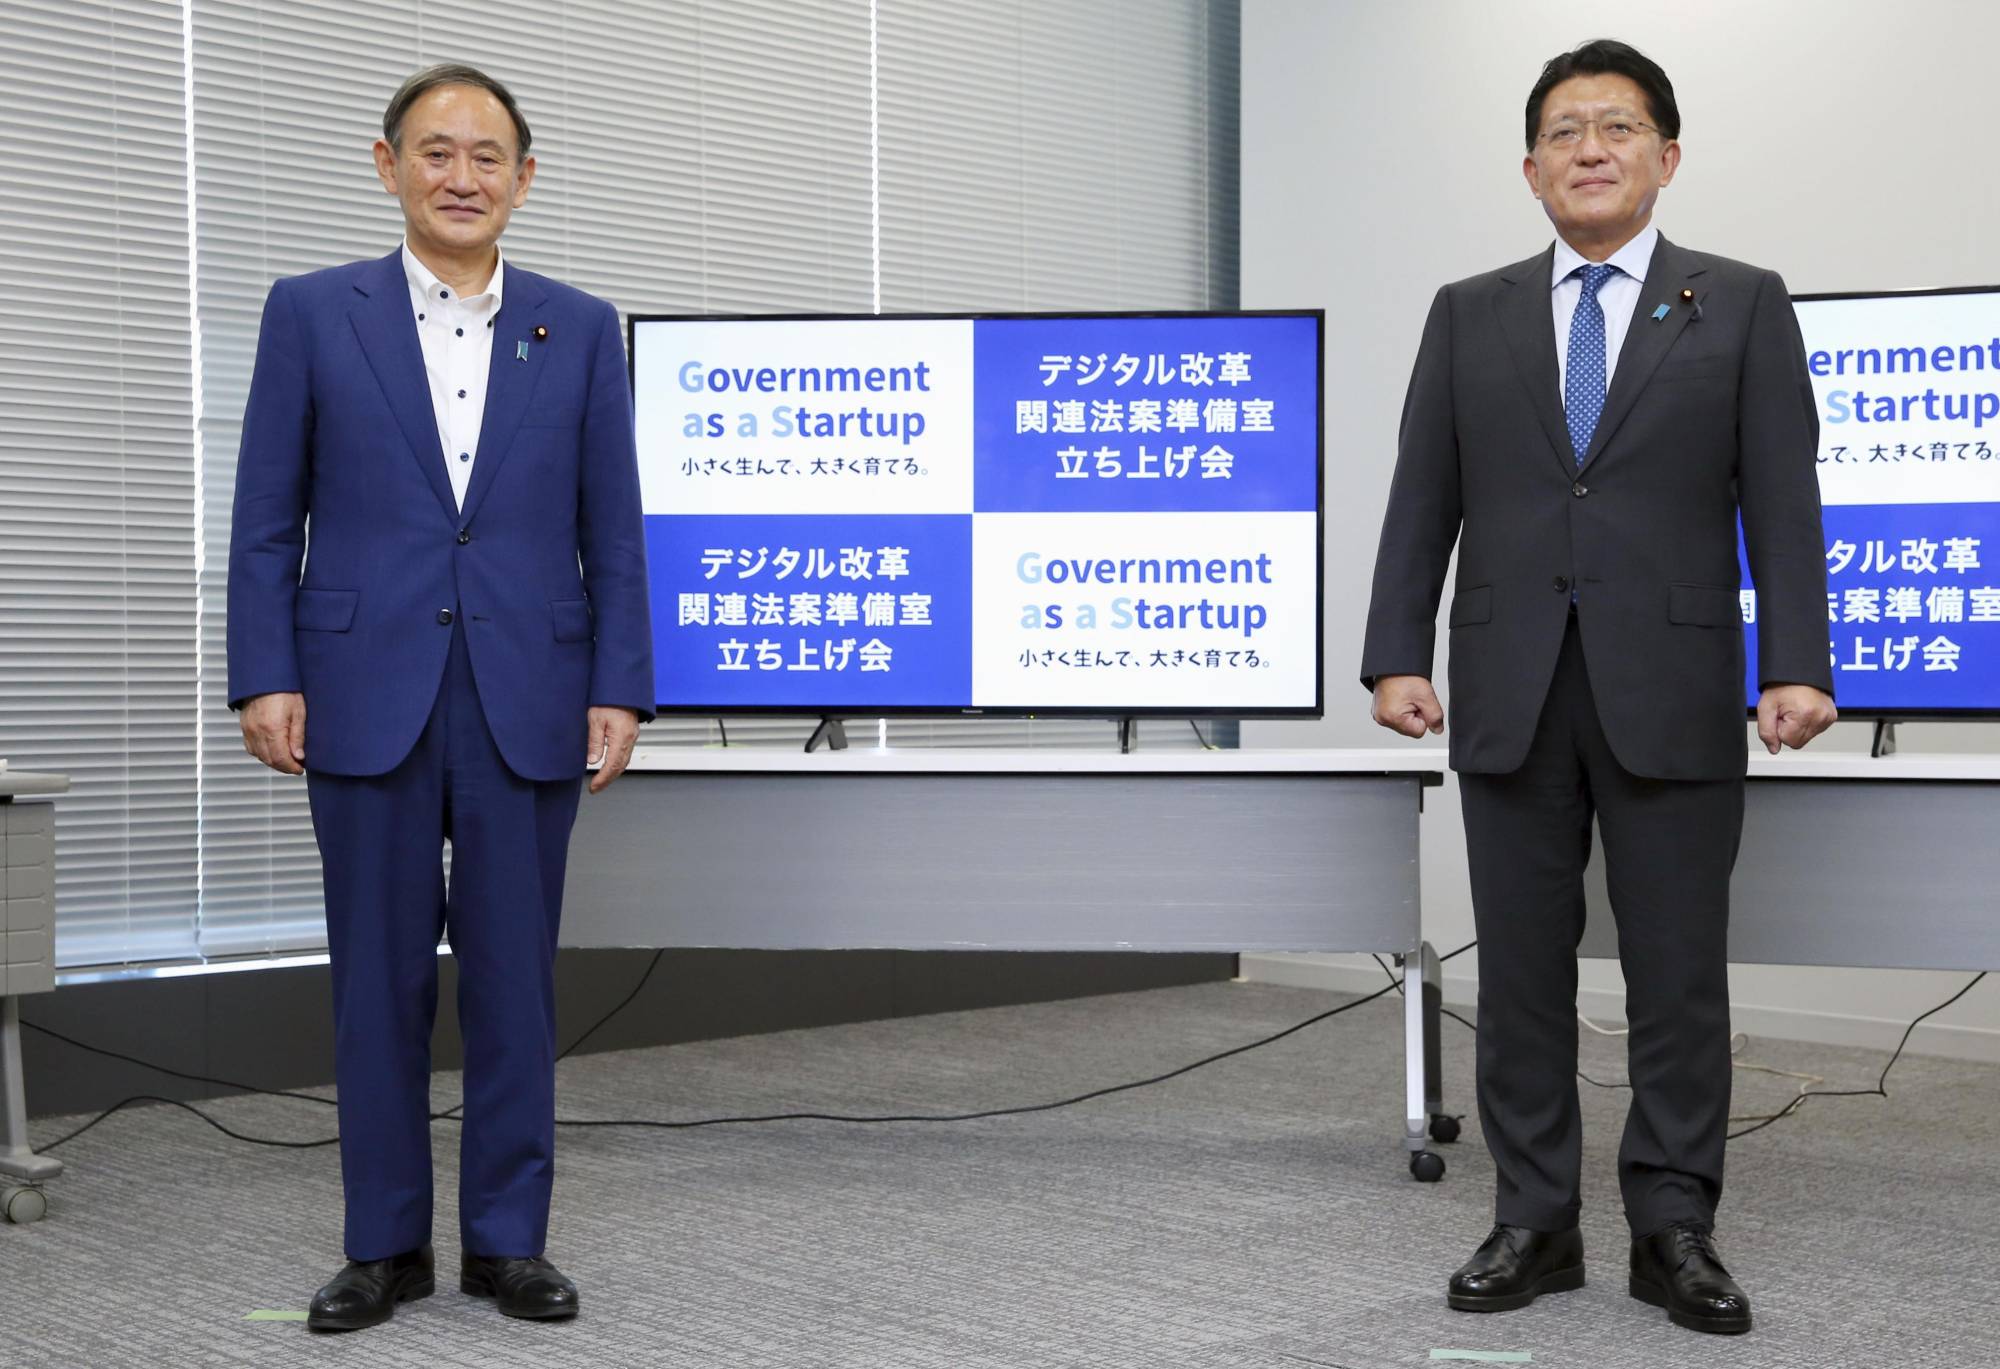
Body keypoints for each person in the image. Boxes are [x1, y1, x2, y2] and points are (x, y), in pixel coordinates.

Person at [1360, 39, 1836, 1336]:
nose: (1589, 148)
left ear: (1665, 157)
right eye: (1564, 131)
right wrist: (1397, 646)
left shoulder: (1738, 302)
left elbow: (1783, 499)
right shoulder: (1471, 311)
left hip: (1674, 679)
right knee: (1519, 975)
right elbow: (1424, 494)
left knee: (1677, 976)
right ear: (1530, 169)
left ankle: (1674, 1226)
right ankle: (1535, 1221)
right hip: (1511, 682)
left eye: (1616, 126)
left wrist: (1797, 659)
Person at [226, 62, 654, 1332]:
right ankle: (385, 1246)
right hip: (362, 689)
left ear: (526, 178)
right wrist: (266, 671)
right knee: (378, 984)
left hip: (531, 688)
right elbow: (264, 523)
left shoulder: (577, 326)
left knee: (515, 983)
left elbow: (611, 530)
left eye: (487, 157)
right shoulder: (311, 312)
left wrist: (618, 683)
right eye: (435, 152)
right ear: (386, 164)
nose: (461, 176)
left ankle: (507, 1244)